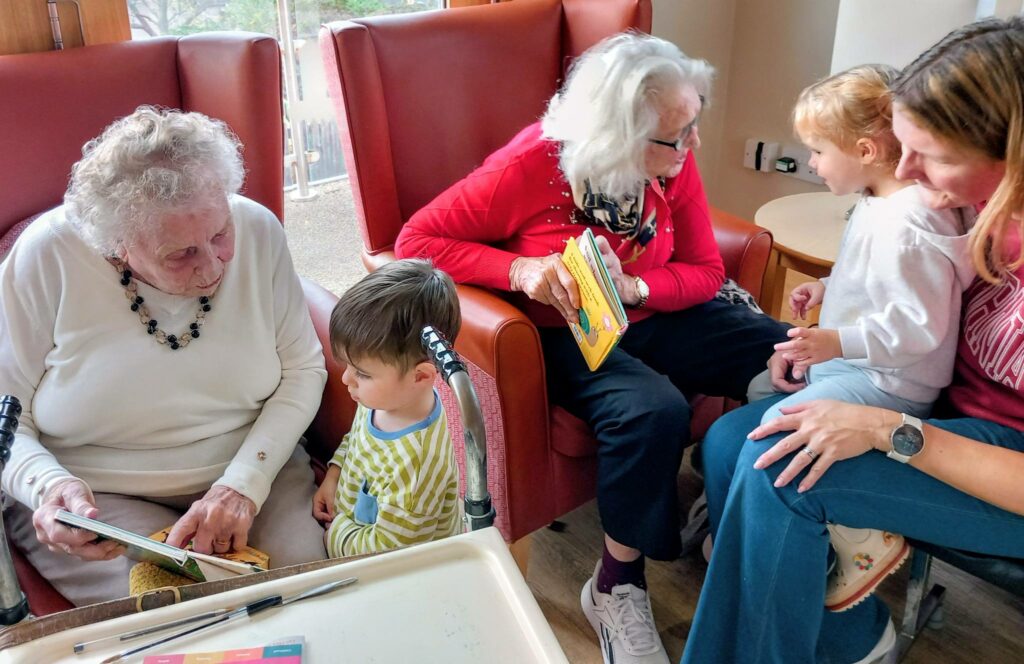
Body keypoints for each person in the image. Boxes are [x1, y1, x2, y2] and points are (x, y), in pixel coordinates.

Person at [395, 32, 790, 664]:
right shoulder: (532, 164)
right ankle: (614, 585)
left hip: (646, 311)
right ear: (616, 132)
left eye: (693, 126)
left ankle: (733, 500)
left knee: (785, 355)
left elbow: (706, 271)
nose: (690, 148)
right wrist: (521, 273)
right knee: (651, 408)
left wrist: (636, 286)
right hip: (562, 333)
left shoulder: (673, 162)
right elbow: (416, 240)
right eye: (673, 136)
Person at [683, 16, 1024, 664]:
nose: (909, 170)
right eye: (903, 144)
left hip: (1008, 462)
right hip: (953, 407)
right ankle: (852, 632)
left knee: (781, 468)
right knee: (730, 440)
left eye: (937, 155)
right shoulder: (974, 204)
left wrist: (882, 429)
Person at [0, 106, 329, 606]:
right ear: (117, 247)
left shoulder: (257, 229)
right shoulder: (46, 255)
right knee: (181, 616)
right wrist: (49, 487)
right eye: (180, 254)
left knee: (311, 595)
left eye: (219, 235)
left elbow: (303, 370)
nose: (214, 266)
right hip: (98, 495)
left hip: (255, 466)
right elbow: (4, 412)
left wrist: (243, 485)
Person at [744, 64, 976, 612]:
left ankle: (860, 539)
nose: (811, 164)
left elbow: (918, 330)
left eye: (819, 151)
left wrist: (835, 343)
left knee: (775, 428)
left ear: (867, 150)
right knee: (761, 388)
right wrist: (827, 287)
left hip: (893, 382)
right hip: (865, 364)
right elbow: (879, 280)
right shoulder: (880, 202)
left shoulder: (909, 225)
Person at [312, 259, 462, 555]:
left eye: (362, 373)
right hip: (353, 524)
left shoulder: (416, 467)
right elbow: (356, 440)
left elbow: (388, 553)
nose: (346, 379)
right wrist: (334, 474)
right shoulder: (381, 399)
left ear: (420, 376)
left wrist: (336, 533)